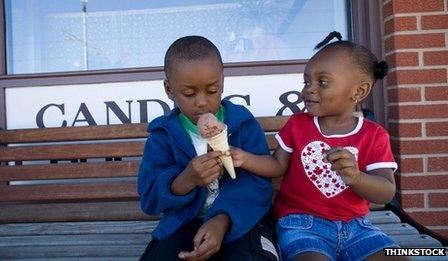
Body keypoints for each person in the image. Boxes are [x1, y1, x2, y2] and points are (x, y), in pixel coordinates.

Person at [229, 31, 408, 261]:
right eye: (306, 81)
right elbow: (276, 166)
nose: (309, 89)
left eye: (322, 82)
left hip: (359, 228)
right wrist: (244, 158)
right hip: (301, 225)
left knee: (403, 256)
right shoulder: (298, 125)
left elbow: (385, 191)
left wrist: (356, 177)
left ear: (359, 91)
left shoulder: (373, 135)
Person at [138, 35, 279, 261]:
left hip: (241, 219)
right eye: (189, 93)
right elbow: (150, 198)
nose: (202, 102)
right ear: (169, 89)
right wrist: (186, 179)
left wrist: (222, 219)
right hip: (184, 222)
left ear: (222, 83)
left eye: (212, 90)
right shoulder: (162, 136)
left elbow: (258, 183)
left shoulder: (242, 123)